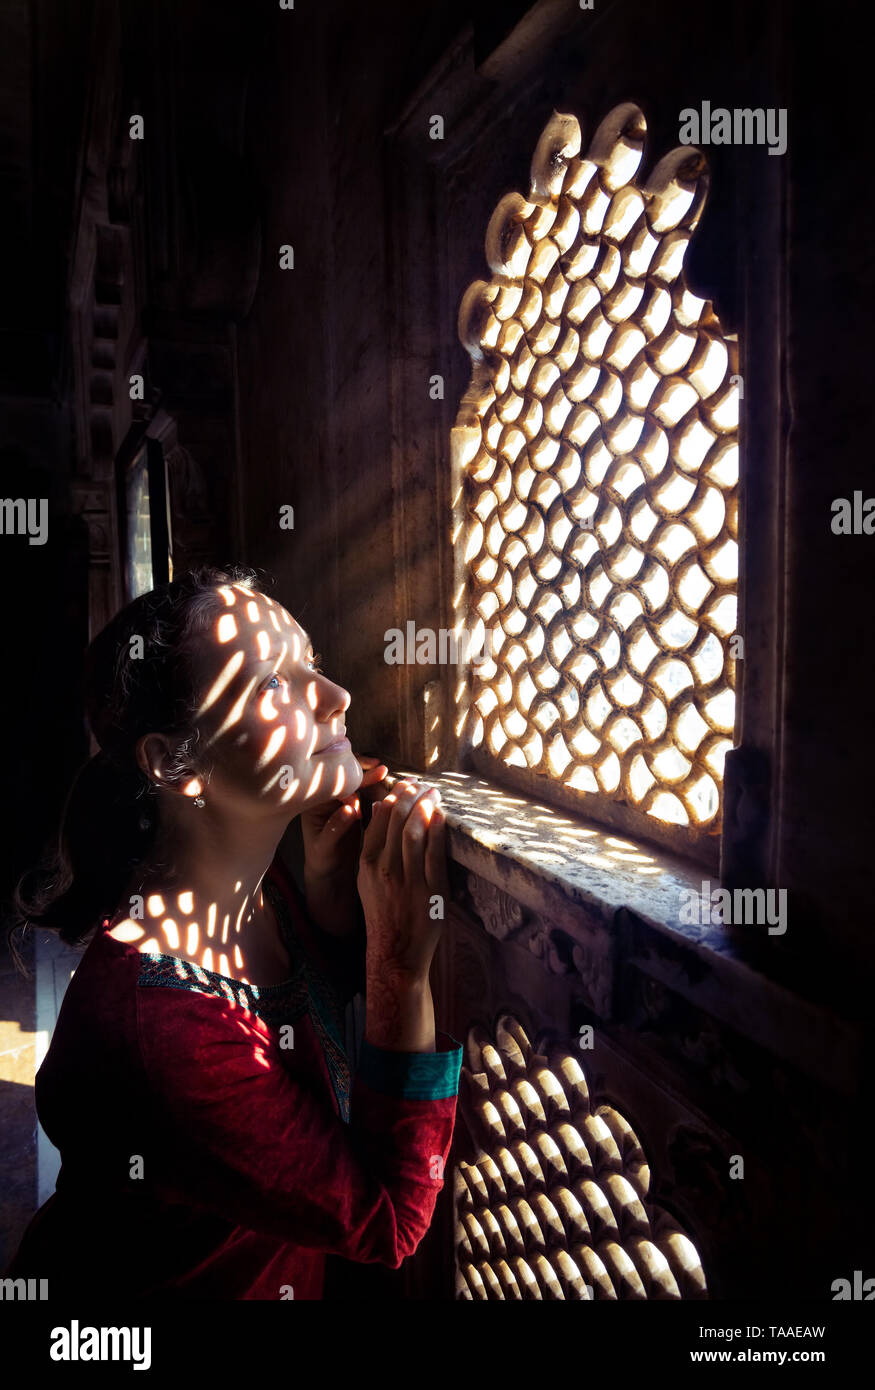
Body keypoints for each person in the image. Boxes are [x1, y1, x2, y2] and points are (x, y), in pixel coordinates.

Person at [3, 564, 462, 1300]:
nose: (335, 696)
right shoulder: (163, 1034)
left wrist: (328, 905)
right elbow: (388, 1222)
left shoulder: (256, 895)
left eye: (309, 662)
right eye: (273, 684)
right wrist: (398, 971)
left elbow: (294, 1037)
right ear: (175, 764)